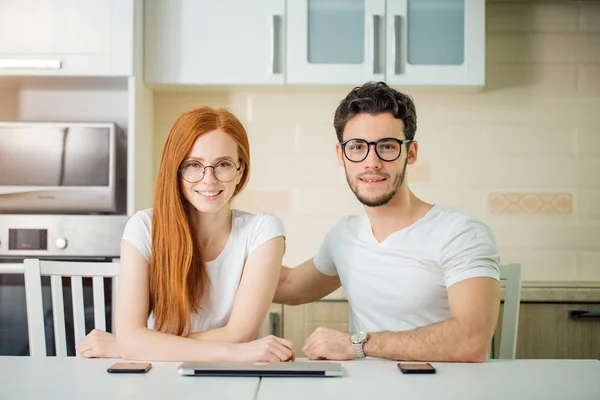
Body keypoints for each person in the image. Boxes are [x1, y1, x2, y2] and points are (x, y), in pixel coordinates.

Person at [274, 82, 500, 363]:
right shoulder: (344, 235)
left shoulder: (460, 233)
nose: (372, 162)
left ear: (411, 152)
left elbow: (471, 340)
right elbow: (290, 285)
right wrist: (209, 261)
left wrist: (359, 344)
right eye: (357, 147)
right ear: (341, 155)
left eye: (387, 146)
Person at [76, 106, 295, 362]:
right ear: (176, 170)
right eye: (194, 165)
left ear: (241, 170)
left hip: (228, 377)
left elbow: (239, 335)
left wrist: (137, 345)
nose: (209, 179)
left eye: (223, 164)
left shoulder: (263, 231)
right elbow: (133, 342)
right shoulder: (144, 227)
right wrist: (133, 344)